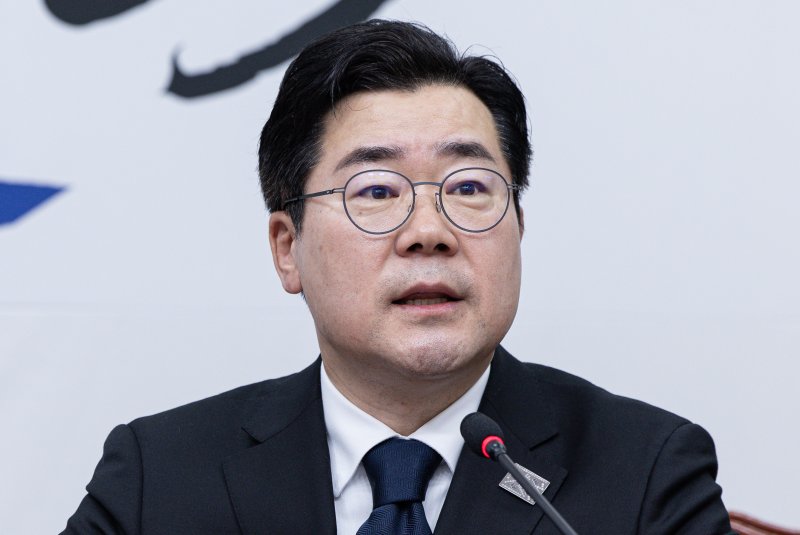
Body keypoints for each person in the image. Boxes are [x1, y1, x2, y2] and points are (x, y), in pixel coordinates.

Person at [62, 20, 734, 534]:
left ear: (518, 228)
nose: (429, 231)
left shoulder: (646, 472)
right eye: (377, 191)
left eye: (469, 187)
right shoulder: (158, 477)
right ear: (288, 249)